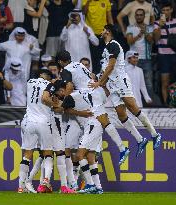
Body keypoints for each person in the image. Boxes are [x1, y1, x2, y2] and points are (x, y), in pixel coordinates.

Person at [89, 24, 162, 153]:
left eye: (103, 29)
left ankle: (155, 134)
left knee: (133, 108)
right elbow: (106, 69)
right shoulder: (106, 48)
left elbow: (111, 67)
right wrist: (100, 80)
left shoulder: (114, 45)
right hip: (113, 85)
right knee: (121, 114)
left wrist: (99, 83)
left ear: (108, 31)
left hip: (121, 81)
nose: (101, 31)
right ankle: (140, 140)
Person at [57, 50, 130, 166]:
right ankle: (119, 148)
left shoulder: (66, 70)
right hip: (97, 90)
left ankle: (115, 148)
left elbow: (69, 86)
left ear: (60, 62)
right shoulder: (79, 64)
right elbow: (93, 76)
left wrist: (65, 100)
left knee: (98, 121)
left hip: (89, 95)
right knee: (103, 121)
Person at [126, 8, 154, 98]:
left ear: (144, 16)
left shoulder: (149, 27)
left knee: (148, 84)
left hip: (146, 59)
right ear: (135, 16)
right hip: (134, 60)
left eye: (141, 15)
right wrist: (139, 35)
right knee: (133, 82)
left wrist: (145, 32)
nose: (139, 16)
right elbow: (129, 42)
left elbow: (151, 41)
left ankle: (149, 105)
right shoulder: (130, 27)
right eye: (137, 15)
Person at [153, 2, 176, 106]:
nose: (166, 12)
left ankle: (174, 103)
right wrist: (160, 27)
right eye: (163, 11)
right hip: (163, 56)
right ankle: (167, 106)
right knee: (165, 82)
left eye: (167, 10)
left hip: (175, 54)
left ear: (171, 10)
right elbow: (156, 40)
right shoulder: (157, 23)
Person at [82, 0, 114, 74]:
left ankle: (104, 74)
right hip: (91, 34)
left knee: (104, 55)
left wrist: (112, 32)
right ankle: (94, 74)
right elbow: (83, 12)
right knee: (93, 56)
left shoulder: (106, 1)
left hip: (104, 34)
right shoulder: (86, 1)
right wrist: (88, 2)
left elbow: (109, 17)